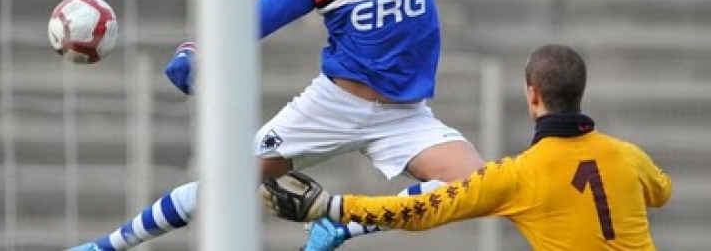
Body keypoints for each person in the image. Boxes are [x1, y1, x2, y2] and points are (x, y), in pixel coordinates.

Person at [69, 0, 544, 251]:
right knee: (224, 184)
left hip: (405, 116)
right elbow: (251, 19)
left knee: (483, 189)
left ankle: (343, 225)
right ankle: (106, 247)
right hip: (332, 108)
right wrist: (198, 52)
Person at [261, 43, 674, 250]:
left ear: (532, 96)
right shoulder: (628, 156)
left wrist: (332, 206)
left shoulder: (516, 177)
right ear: (580, 92)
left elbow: (422, 211)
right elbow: (662, 191)